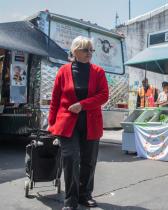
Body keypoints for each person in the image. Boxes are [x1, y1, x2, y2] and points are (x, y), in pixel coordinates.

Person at [48, 36, 109, 210]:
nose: (89, 53)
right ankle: (70, 199)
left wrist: (82, 105)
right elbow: (55, 99)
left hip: (91, 123)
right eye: (85, 50)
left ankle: (85, 195)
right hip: (67, 123)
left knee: (89, 161)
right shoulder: (63, 71)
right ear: (75, 51)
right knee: (71, 159)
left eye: (91, 50)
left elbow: (104, 96)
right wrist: (51, 123)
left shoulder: (98, 72)